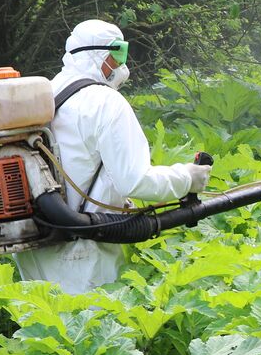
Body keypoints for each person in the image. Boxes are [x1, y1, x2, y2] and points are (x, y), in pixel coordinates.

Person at [12, 19, 210, 294]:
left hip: (35, 249)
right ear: (100, 55)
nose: (121, 66)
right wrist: (187, 178)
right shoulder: (104, 102)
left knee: (43, 331)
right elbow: (135, 181)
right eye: (118, 55)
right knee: (94, 333)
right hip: (84, 250)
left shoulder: (40, 97)